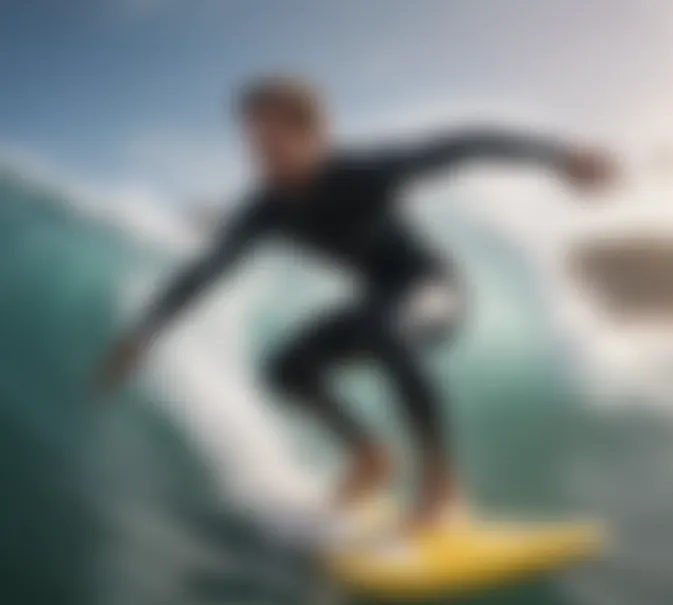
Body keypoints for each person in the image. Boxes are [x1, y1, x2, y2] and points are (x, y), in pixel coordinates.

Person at [95, 77, 616, 528]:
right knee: (283, 370)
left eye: (272, 140)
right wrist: (147, 331)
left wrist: (561, 156)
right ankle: (369, 456)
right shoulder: (266, 207)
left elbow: (464, 145)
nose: (260, 155)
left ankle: (442, 480)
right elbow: (208, 268)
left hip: (436, 292)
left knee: (380, 326)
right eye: (253, 142)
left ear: (314, 135)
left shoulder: (362, 172)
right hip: (380, 304)